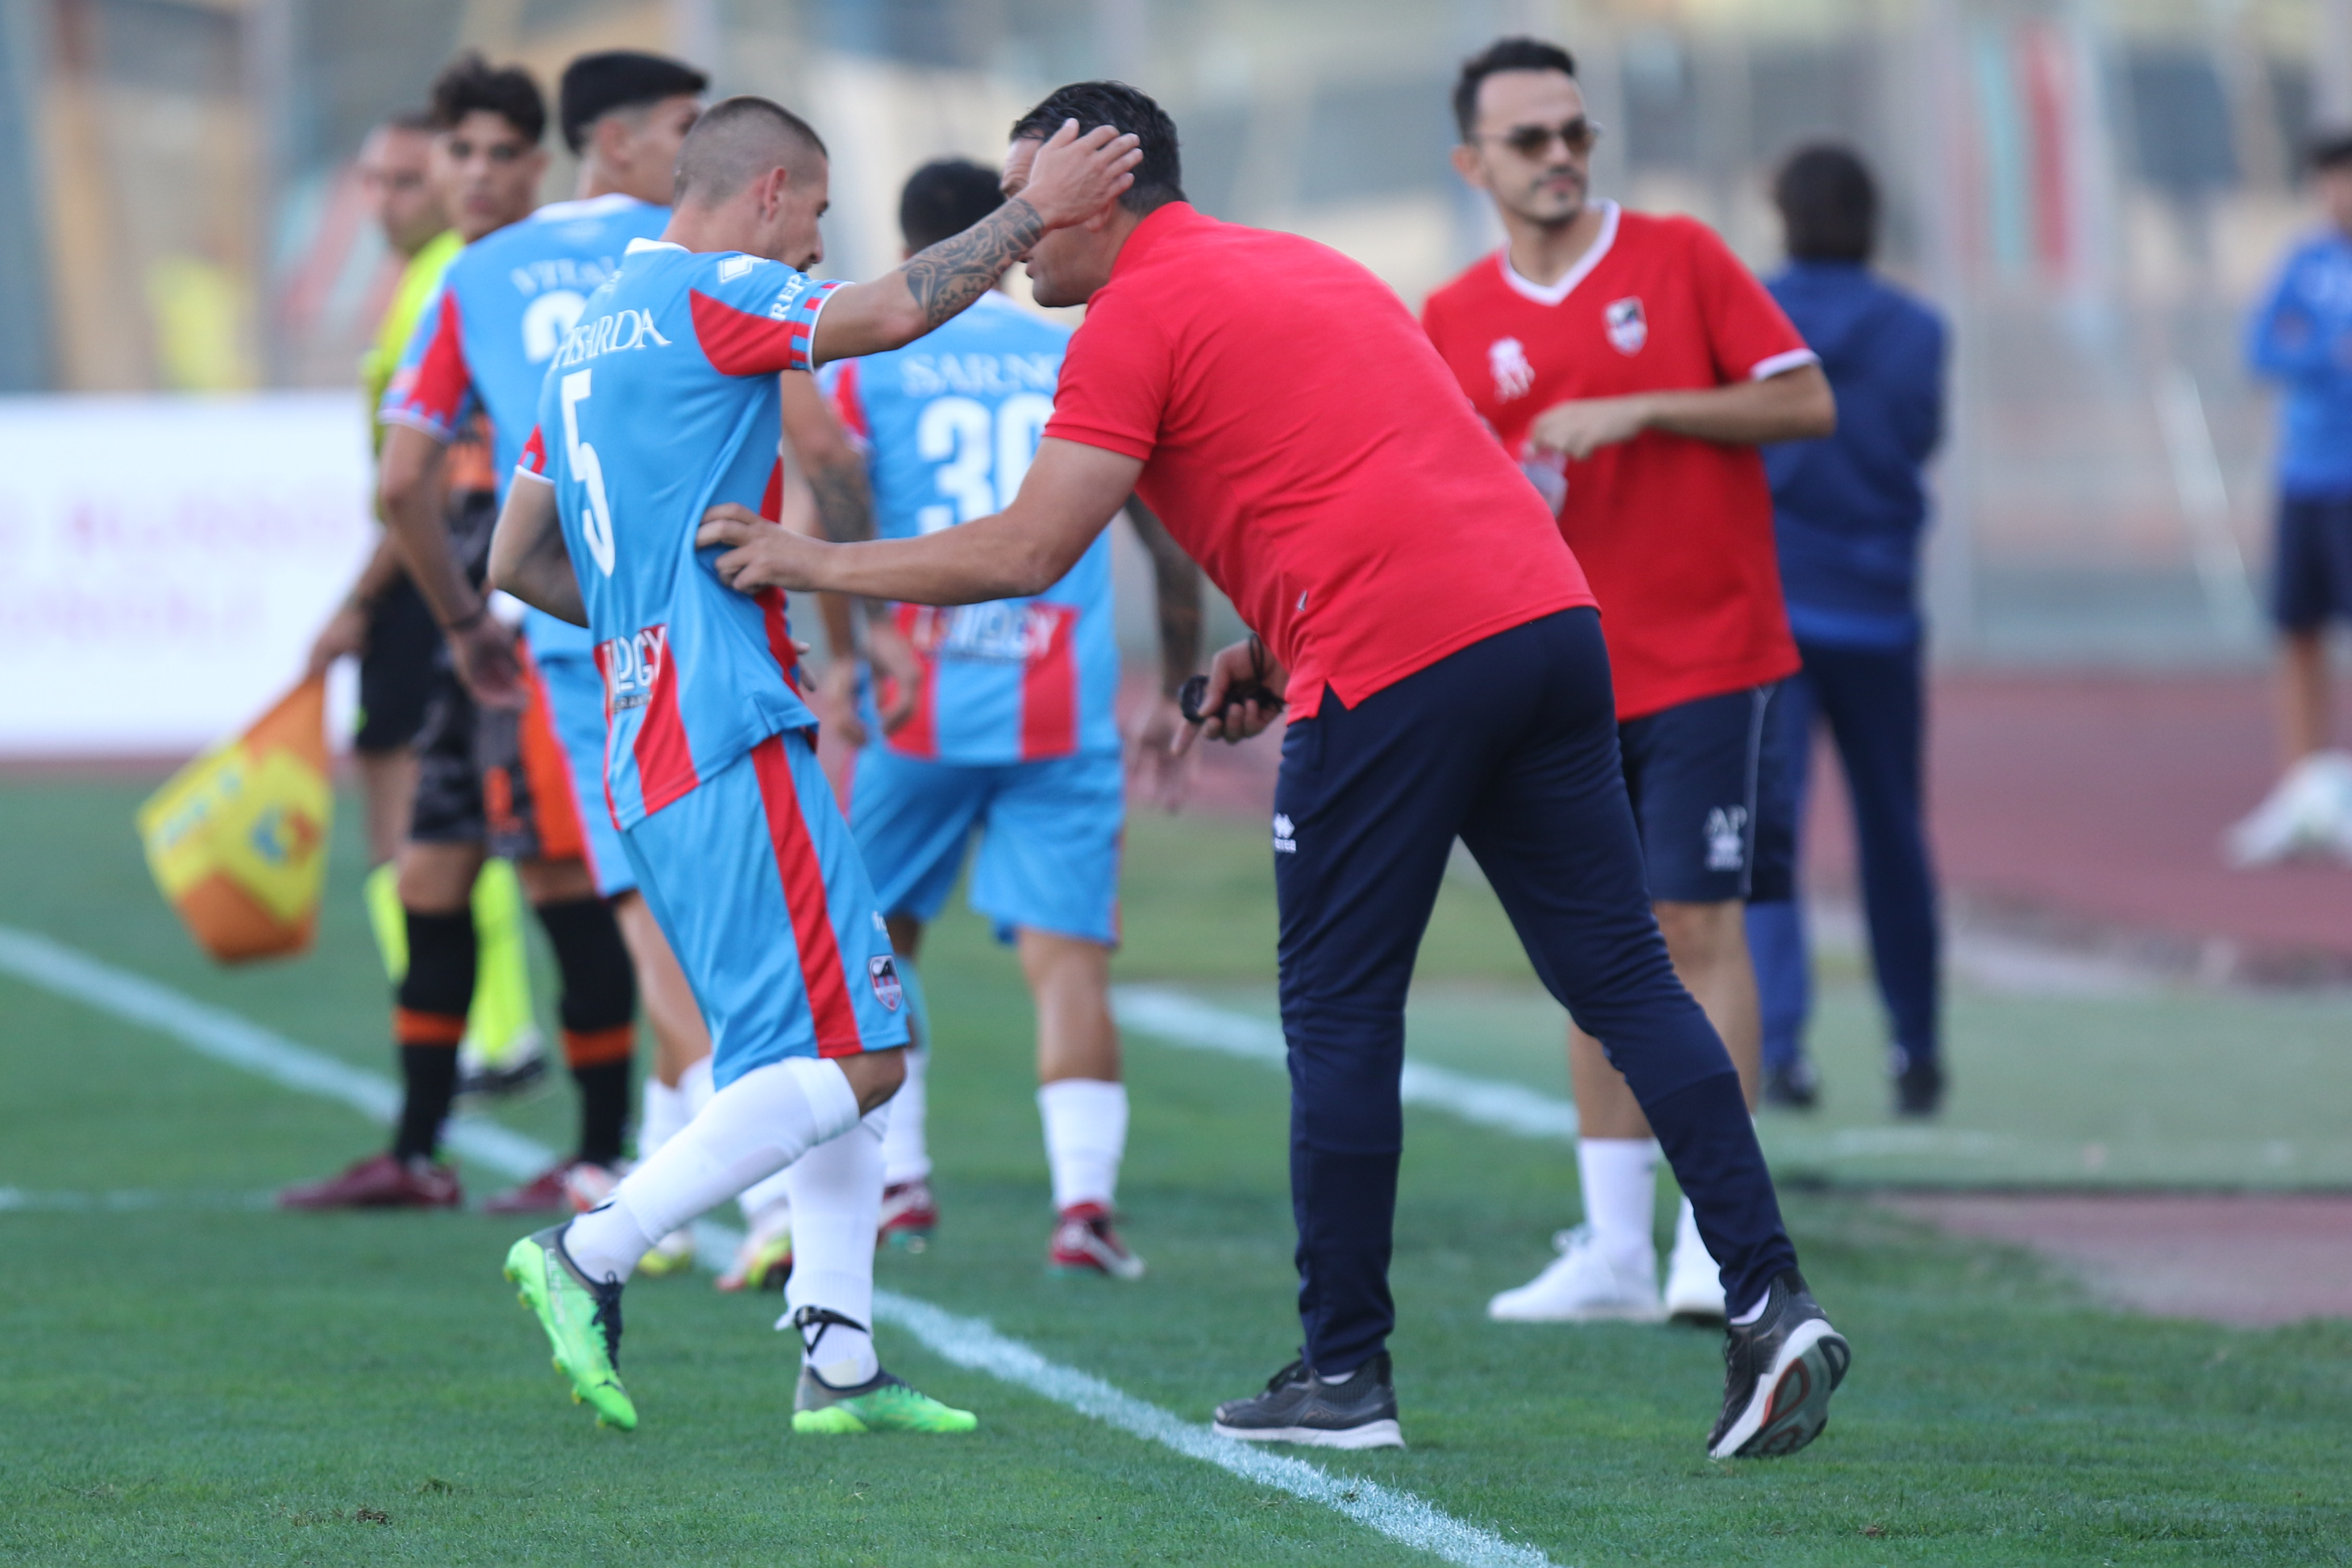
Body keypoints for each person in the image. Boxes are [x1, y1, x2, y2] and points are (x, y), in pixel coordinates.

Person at [681, 79, 1851, 1460]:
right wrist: (1271, 646)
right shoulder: (1308, 265)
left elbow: (1025, 554)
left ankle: (1344, 1371)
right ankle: (1769, 1299)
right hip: (1547, 626)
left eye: (1028, 197)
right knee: (1627, 979)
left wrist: (812, 560)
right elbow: (1390, 479)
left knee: (1341, 1015)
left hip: (1401, 656)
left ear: (1101, 187)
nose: (1016, 231)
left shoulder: (1130, 317)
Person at [485, 95, 1144, 1432]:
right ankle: (591, 1247)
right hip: (727, 722)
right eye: (820, 214)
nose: (815, 246)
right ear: (771, 190)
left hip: (650, 727)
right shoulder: (710, 290)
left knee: (863, 1034)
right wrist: (1034, 213)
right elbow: (891, 313)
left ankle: (836, 1353)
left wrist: (650, 617)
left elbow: (512, 562)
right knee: (851, 1064)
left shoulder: (587, 337)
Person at [1422, 38, 1834, 1327]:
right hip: (1553, 672)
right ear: (1471, 161)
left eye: (1574, 134)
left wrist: (1645, 407)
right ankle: (1608, 1246)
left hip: (1708, 655)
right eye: (1529, 140)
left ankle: (1714, 1245)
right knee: (1595, 951)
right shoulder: (1449, 319)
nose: (1557, 158)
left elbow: (1805, 402)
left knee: (1695, 930)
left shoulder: (1681, 258)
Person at [805, 157, 1203, 1278]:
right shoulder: (1073, 347)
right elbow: (1162, 537)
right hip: (1060, 705)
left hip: (915, 703)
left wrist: (847, 656)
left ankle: (901, 1182)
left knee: (879, 947)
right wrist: (1174, 674)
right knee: (1067, 964)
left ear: (910, 241)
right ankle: (1083, 1211)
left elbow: (832, 491)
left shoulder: (872, 360)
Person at [278, 54, 642, 1213]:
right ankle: (418, 1148)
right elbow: (412, 476)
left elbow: (417, 476)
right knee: (431, 877)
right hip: (463, 625)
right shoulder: (456, 276)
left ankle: (603, 1152)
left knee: (562, 880)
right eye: (459, 152)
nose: (476, 173)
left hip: (529, 621)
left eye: (501, 154)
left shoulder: (524, 277)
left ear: (539, 166)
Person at [303, 110, 546, 1104]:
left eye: (407, 178)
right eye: (376, 180)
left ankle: (480, 1037)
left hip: (430, 569)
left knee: (419, 817)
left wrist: (360, 598)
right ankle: (487, 1034)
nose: (387, 200)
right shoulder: (426, 276)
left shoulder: (451, 277)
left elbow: (428, 469)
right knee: (444, 816)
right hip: (432, 562)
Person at [1743, 145, 1947, 1117]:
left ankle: (1781, 1046)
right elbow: (1917, 437)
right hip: (1880, 606)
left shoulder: (1749, 310)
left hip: (1774, 605)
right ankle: (1917, 1046)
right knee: (1895, 832)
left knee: (1767, 835)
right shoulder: (1920, 327)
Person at [2229, 130, 2352, 866]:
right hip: (2303, 476)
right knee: (2297, 630)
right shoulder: (2303, 264)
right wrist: (2326, 353)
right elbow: (2263, 349)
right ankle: (2305, 790)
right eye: (2330, 180)